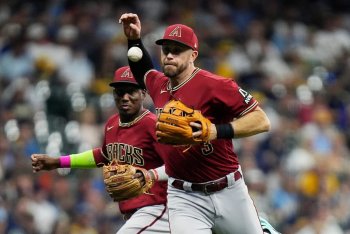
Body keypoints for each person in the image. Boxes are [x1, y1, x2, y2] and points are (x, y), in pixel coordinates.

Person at [119, 13, 272, 234]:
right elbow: (142, 69)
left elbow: (261, 120)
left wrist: (215, 130)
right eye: (166, 50)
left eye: (177, 50)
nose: (170, 55)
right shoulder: (159, 84)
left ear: (193, 55)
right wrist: (134, 40)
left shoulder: (215, 85)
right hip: (184, 197)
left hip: (228, 189)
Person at [31, 66, 170, 234]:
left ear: (143, 93)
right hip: (135, 214)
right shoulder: (112, 124)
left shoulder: (152, 125)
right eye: (120, 92)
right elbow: (102, 156)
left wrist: (150, 175)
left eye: (131, 91)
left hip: (159, 209)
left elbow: (177, 166)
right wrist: (58, 162)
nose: (125, 97)